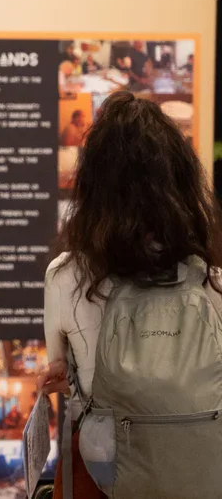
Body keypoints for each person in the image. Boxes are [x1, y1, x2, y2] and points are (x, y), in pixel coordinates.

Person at [39, 91, 222, 498]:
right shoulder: (213, 281)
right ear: (181, 179)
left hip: (105, 477)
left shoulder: (66, 276)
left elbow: (61, 373)